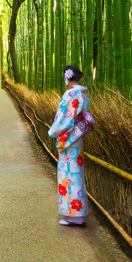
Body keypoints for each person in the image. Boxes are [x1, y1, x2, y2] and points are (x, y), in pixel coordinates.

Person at [47, 65, 90, 227]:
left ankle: (74, 215)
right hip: (77, 138)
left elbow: (65, 117)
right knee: (76, 174)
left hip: (69, 138)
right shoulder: (83, 93)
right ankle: (78, 214)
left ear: (66, 78)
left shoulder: (72, 93)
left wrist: (53, 131)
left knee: (68, 176)